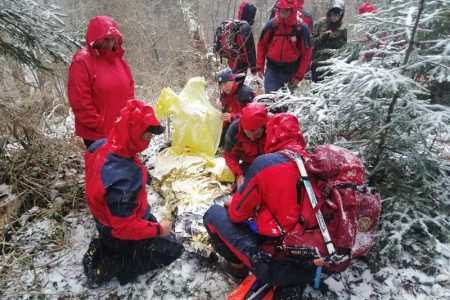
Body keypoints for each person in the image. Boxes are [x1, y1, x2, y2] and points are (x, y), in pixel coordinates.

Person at [204, 113, 312, 294]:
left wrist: (236, 202)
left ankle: (238, 268)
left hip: (276, 261)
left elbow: (236, 214)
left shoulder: (266, 164)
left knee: (213, 214)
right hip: (312, 259)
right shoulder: (311, 162)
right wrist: (239, 174)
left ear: (269, 132)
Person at [82, 100, 184, 286]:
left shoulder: (101, 146)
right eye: (147, 135)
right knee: (175, 249)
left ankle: (113, 247)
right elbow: (124, 228)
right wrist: (160, 229)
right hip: (119, 233)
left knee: (161, 233)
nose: (150, 139)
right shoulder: (125, 177)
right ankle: (118, 262)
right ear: (134, 133)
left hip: (107, 218)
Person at [68, 16, 135, 149]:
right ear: (96, 38)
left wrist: (129, 117)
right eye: (106, 39)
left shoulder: (119, 60)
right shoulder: (82, 61)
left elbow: (130, 90)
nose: (110, 43)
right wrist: (99, 124)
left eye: (112, 38)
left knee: (125, 167)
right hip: (97, 135)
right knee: (105, 168)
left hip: (121, 129)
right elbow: (79, 100)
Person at [257, 0, 312, 93]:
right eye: (281, 10)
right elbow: (261, 45)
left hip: (290, 70)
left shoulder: (301, 28)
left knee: (285, 102)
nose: (283, 13)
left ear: (292, 10)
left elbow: (306, 53)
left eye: (286, 10)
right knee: (270, 98)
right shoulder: (272, 25)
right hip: (272, 68)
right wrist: (259, 67)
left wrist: (299, 75)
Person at [223, 103, 268, 190]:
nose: (252, 138)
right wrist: (238, 175)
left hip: (270, 164)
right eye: (247, 134)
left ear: (264, 126)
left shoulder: (273, 126)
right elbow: (229, 156)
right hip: (248, 165)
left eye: (257, 135)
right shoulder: (234, 130)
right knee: (243, 189)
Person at [218, 67, 255, 146]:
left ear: (232, 81)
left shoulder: (245, 93)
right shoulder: (224, 96)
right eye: (221, 85)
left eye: (225, 83)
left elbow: (252, 116)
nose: (224, 87)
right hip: (233, 124)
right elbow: (225, 113)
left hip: (247, 127)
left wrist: (232, 117)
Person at [311, 0, 347, 82]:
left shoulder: (342, 28)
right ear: (329, 13)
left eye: (337, 15)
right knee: (316, 89)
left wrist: (336, 38)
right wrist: (323, 36)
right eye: (333, 15)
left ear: (341, 15)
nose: (334, 17)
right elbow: (311, 42)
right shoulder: (320, 24)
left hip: (333, 64)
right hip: (318, 62)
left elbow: (343, 48)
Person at [230, 1, 258, 75]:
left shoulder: (237, 24)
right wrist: (253, 68)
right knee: (237, 83)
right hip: (240, 63)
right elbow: (249, 48)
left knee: (232, 80)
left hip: (233, 59)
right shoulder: (246, 27)